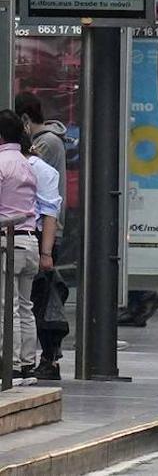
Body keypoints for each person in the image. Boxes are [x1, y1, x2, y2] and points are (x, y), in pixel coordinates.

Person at [15, 92, 69, 375]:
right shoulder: (51, 141)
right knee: (36, 299)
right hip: (44, 233)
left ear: (24, 120)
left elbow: (36, 193)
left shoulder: (43, 145)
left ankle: (45, 359)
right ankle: (42, 359)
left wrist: (46, 249)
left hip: (40, 232)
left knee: (36, 300)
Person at [0, 110, 41, 386]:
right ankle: (27, 366)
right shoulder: (28, 164)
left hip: (8, 241)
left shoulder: (1, 163)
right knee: (26, 306)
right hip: (30, 241)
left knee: (7, 307)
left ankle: (10, 367)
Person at [22, 133, 64, 380]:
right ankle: (34, 361)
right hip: (37, 241)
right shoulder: (44, 169)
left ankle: (23, 361)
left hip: (30, 239)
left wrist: (45, 253)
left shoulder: (20, 167)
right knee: (29, 306)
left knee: (23, 305)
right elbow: (51, 212)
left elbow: (49, 212)